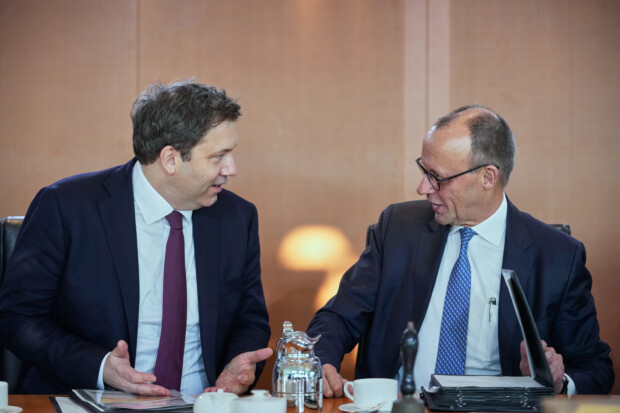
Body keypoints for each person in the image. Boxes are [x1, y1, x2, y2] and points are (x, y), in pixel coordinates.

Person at [306, 105, 614, 396]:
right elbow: (339, 316)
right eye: (423, 170)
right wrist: (321, 362)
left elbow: (595, 368)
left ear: (487, 177)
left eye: (438, 178)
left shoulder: (557, 257)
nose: (423, 188)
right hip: (401, 405)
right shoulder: (398, 228)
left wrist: (558, 382)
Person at [0, 79, 271, 396]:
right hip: (90, 399)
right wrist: (101, 367)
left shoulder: (237, 217)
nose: (231, 169)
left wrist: (238, 366)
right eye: (218, 156)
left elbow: (250, 320)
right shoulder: (66, 207)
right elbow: (18, 318)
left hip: (202, 402)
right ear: (170, 159)